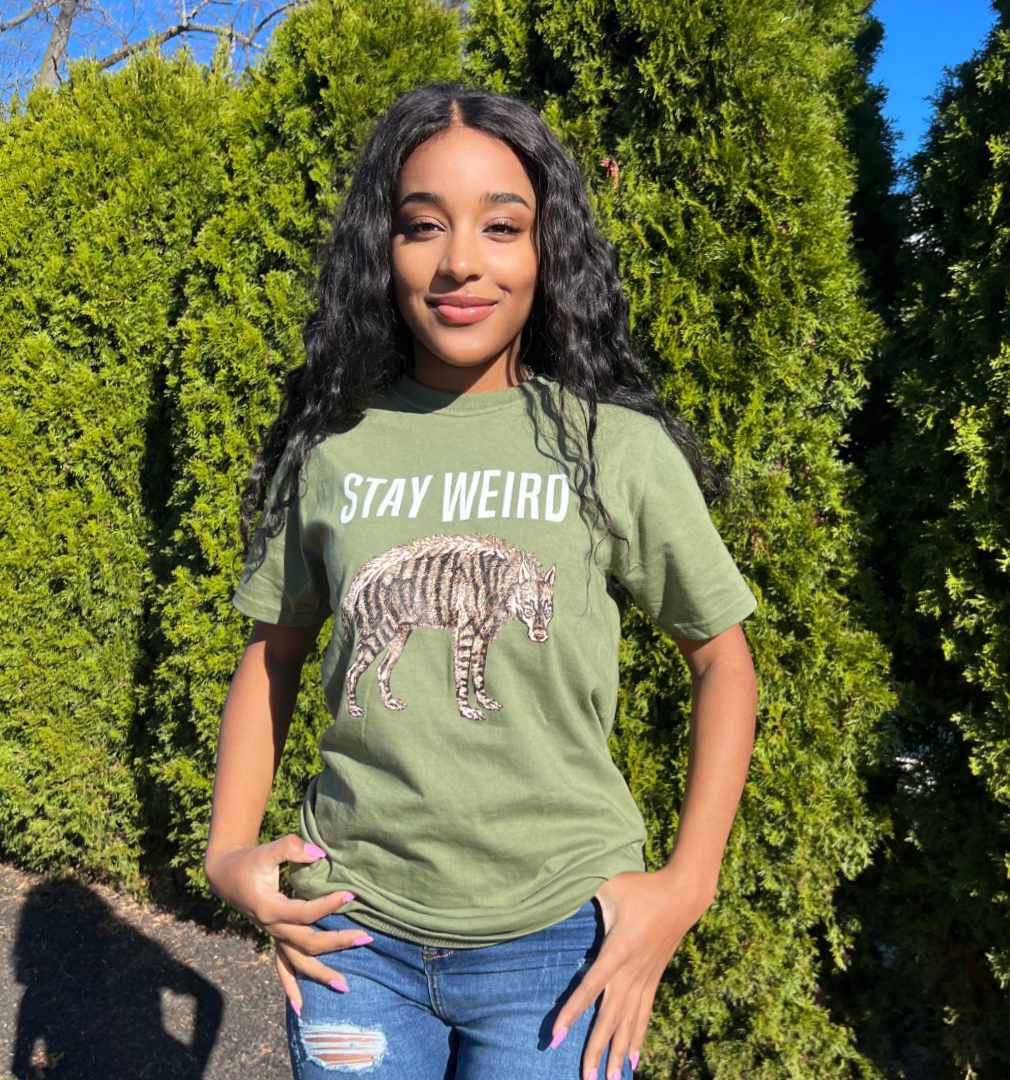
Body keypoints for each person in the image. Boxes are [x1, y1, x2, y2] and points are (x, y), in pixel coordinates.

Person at [203, 82, 760, 1080]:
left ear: (547, 253)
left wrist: (686, 885)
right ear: (385, 250)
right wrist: (226, 851)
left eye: (503, 227)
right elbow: (270, 655)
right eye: (423, 226)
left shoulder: (614, 452)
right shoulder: (333, 451)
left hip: (562, 939)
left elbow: (724, 661)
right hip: (351, 934)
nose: (461, 260)